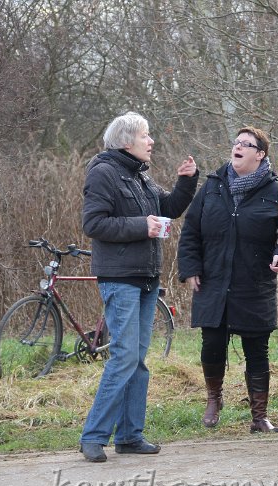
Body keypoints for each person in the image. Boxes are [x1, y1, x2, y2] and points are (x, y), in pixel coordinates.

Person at [80, 111, 199, 463]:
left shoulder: (140, 176)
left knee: (137, 360)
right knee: (124, 357)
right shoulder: (103, 173)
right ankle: (93, 436)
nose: (151, 141)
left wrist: (186, 181)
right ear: (126, 141)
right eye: (146, 135)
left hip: (147, 278)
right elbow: (93, 224)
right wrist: (140, 226)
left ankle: (130, 436)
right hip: (120, 280)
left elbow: (169, 208)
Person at [178, 126, 278, 433]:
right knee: (212, 344)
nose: (238, 147)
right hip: (213, 281)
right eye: (236, 142)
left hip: (254, 283)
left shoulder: (276, 192)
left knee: (256, 350)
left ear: (260, 154)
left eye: (246, 144)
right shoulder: (212, 186)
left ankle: (259, 417)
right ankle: (214, 399)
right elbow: (191, 230)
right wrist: (191, 268)